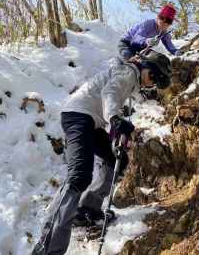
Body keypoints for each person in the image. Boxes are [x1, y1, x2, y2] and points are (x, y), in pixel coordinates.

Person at [31, 50, 172, 255]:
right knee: (79, 175)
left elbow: (109, 97)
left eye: (155, 82)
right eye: (153, 77)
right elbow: (110, 93)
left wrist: (116, 128)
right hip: (78, 116)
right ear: (147, 69)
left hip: (89, 119)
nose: (150, 84)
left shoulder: (130, 76)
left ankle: (87, 208)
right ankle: (48, 246)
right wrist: (114, 118)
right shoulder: (129, 73)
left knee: (116, 159)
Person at [118, 4, 183, 60]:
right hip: (127, 43)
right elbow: (136, 39)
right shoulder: (148, 24)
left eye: (168, 21)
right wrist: (147, 41)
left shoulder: (164, 32)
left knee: (159, 59)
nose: (164, 22)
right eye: (162, 18)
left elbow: (169, 44)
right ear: (158, 17)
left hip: (141, 48)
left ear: (170, 24)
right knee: (129, 58)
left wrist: (175, 52)